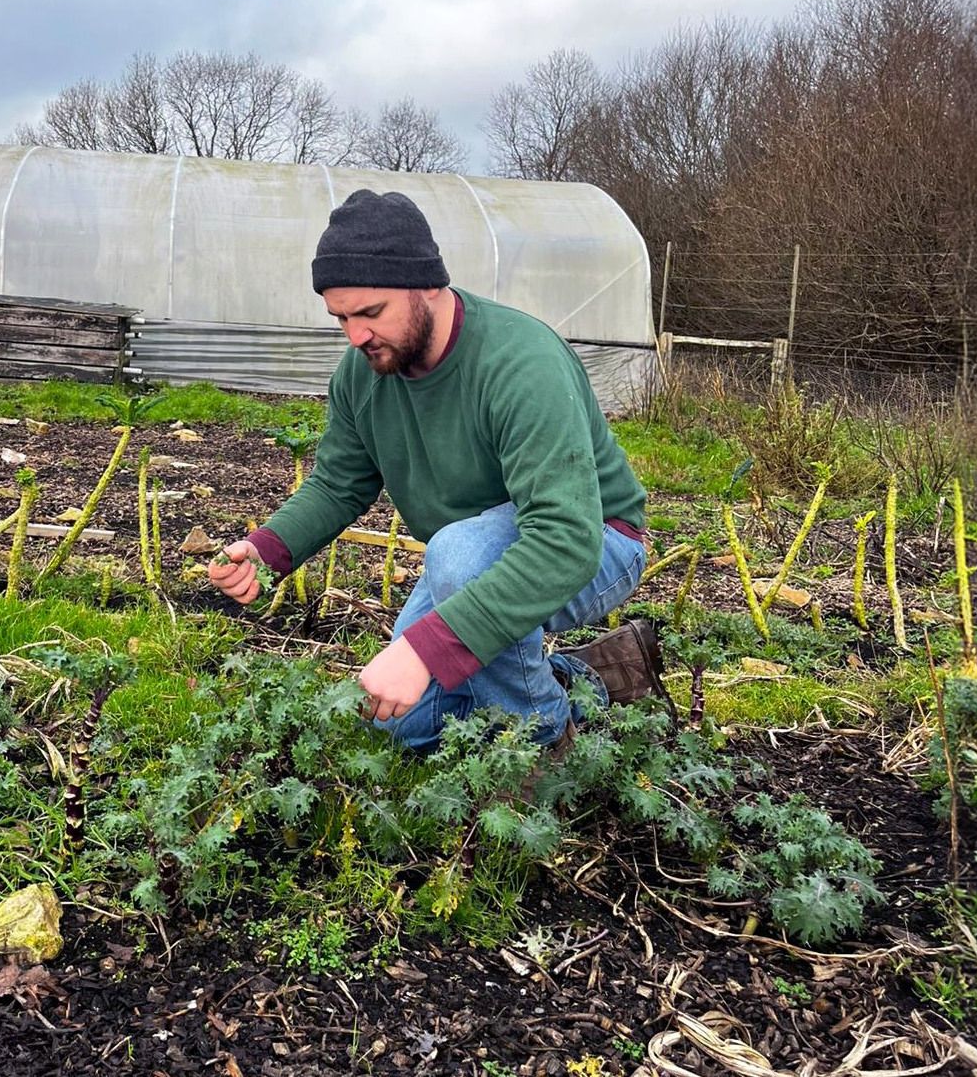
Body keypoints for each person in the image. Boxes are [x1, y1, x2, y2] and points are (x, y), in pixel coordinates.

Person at [208, 188, 674, 752]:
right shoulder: (362, 375)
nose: (356, 336)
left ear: (428, 284)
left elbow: (565, 539)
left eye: (371, 313)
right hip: (468, 559)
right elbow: (338, 484)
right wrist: (267, 549)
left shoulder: (521, 363)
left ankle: (543, 746)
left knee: (457, 563)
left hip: (595, 543)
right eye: (341, 318)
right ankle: (594, 675)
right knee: (398, 723)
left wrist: (429, 648)